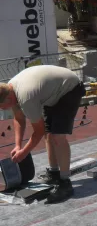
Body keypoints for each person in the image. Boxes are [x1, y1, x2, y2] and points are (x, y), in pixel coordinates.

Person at [0, 65, 86, 204]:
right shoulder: (10, 89)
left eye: (1, 107)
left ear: (8, 99)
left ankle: (65, 183)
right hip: (52, 92)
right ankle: (54, 173)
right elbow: (18, 119)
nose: (2, 109)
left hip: (69, 88)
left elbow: (37, 132)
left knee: (57, 136)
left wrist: (24, 152)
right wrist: (17, 146)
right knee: (48, 134)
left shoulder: (25, 97)